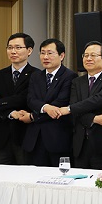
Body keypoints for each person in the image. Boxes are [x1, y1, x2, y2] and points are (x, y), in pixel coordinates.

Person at [59, 41, 102, 170]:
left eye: (93, 55)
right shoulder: (77, 81)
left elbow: (98, 100)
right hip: (80, 144)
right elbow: (76, 108)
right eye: (86, 55)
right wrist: (94, 119)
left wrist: (70, 109)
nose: (88, 58)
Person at [23, 38, 78, 167]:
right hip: (35, 138)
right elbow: (31, 100)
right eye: (42, 53)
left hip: (57, 137)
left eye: (50, 53)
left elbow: (61, 102)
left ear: (62, 56)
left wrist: (33, 116)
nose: (45, 57)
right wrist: (46, 107)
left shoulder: (70, 76)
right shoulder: (36, 76)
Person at [0, 33, 38, 165]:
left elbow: (26, 98)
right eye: (10, 48)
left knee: (25, 173)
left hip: (26, 134)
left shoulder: (37, 75)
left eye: (18, 47)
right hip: (2, 137)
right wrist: (11, 113)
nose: (13, 51)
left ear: (29, 50)